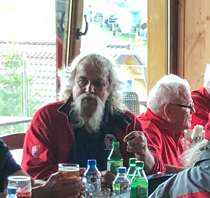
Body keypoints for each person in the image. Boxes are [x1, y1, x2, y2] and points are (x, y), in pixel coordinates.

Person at [23, 53, 152, 180]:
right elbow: (35, 172)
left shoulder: (127, 122)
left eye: (98, 83)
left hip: (116, 193)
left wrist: (143, 153)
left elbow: (154, 171)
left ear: (110, 89)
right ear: (72, 85)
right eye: (82, 82)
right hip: (66, 194)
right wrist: (91, 180)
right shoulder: (48, 117)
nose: (89, 89)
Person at [135, 74, 194, 171]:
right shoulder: (147, 130)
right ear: (168, 111)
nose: (193, 111)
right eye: (189, 106)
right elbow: (153, 170)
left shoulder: (177, 130)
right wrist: (193, 173)